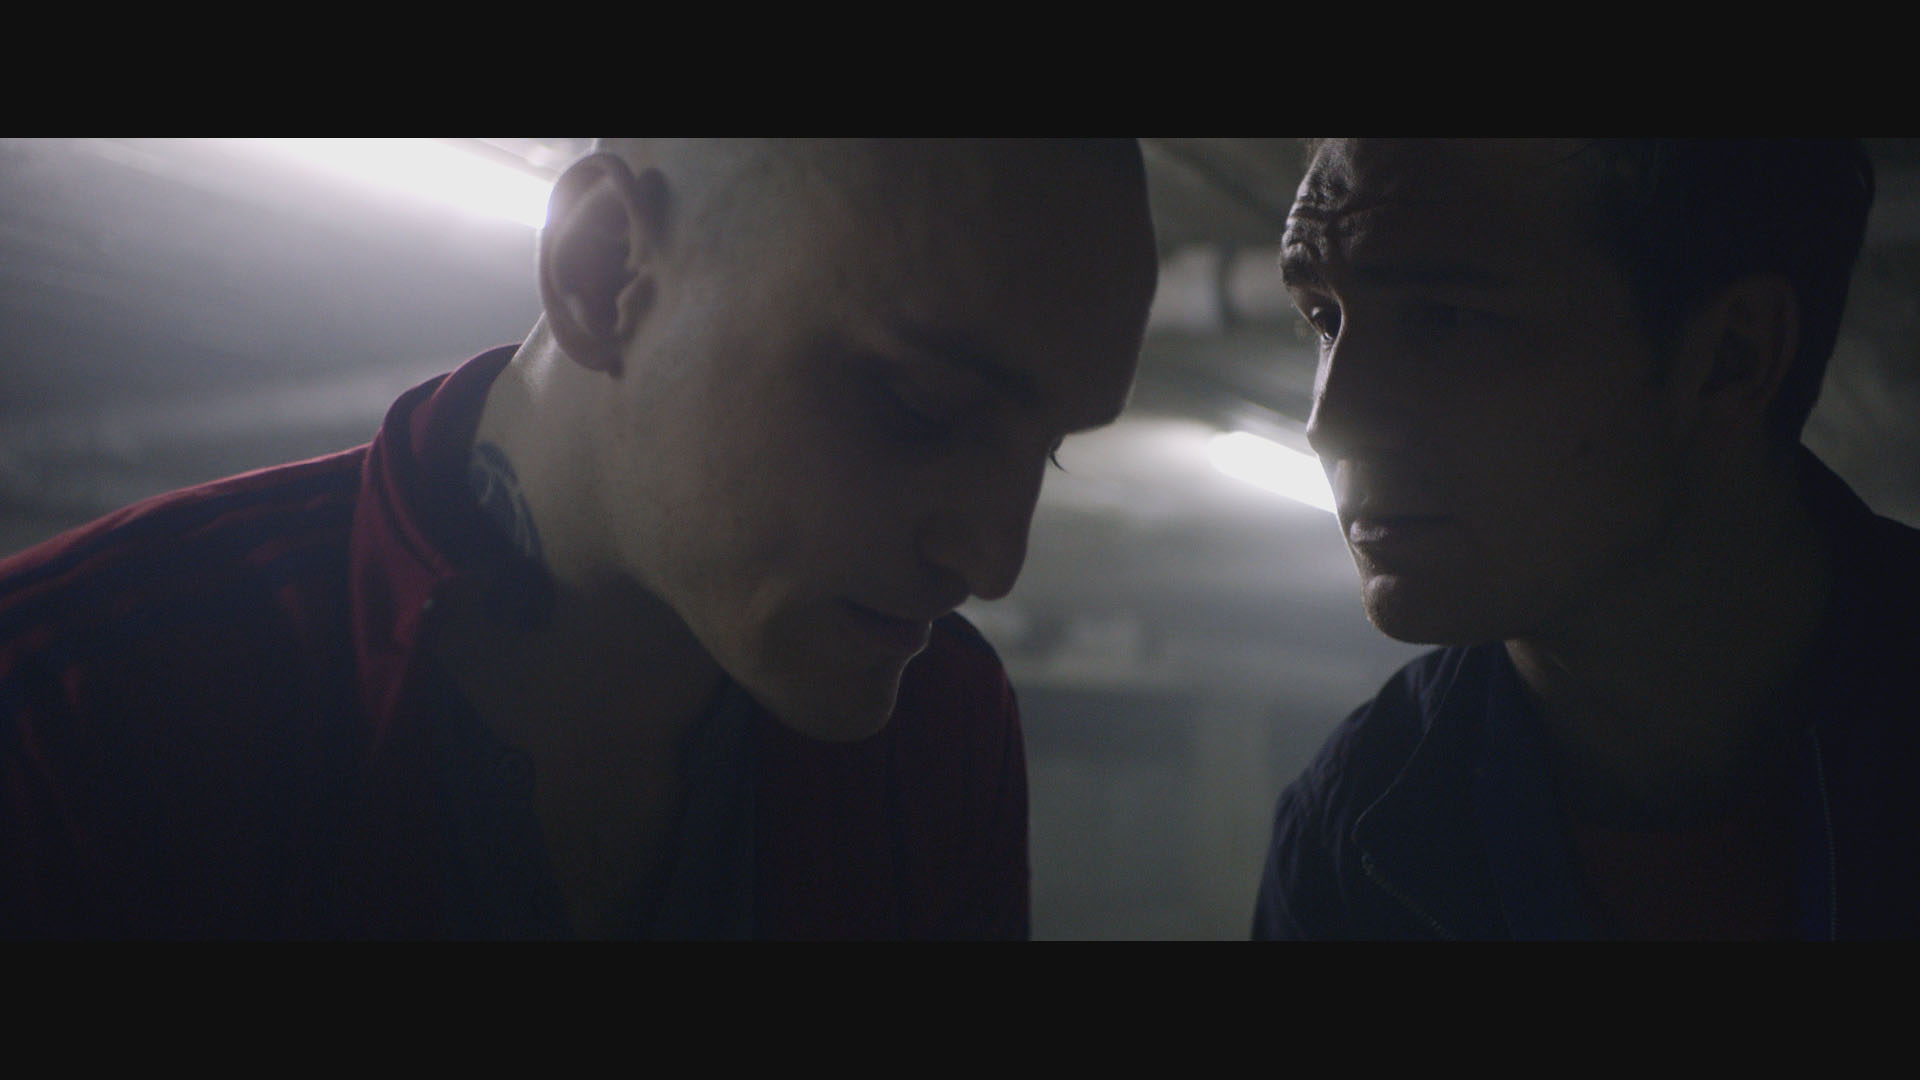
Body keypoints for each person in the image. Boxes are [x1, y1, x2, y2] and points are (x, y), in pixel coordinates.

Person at [0, 138, 1159, 939]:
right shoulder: (63, 707)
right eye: (919, 406)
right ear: (605, 272)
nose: (994, 564)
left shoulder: (943, 720)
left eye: (1049, 449)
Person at [1253, 138, 1920, 940]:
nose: (1330, 422)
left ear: (1730, 358)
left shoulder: (1365, 824)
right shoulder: (1347, 831)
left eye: (1447, 319)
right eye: (1324, 320)